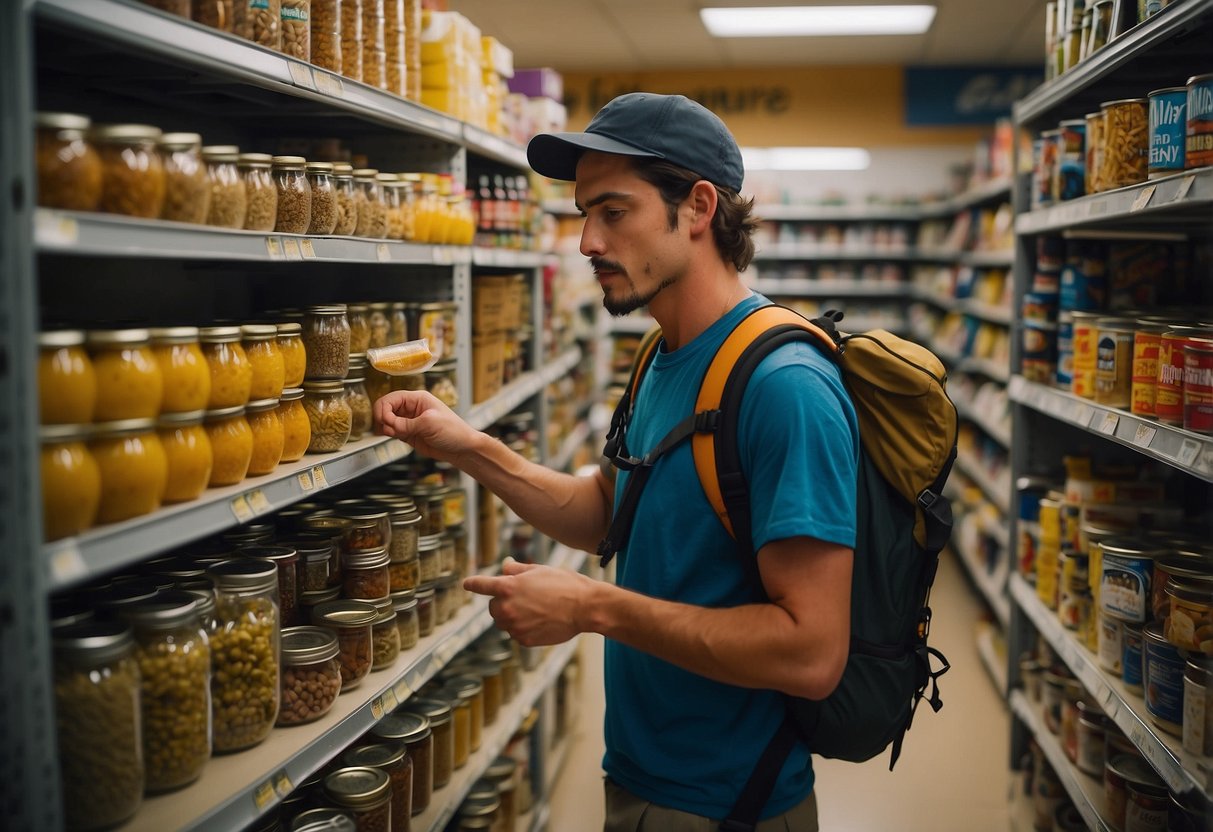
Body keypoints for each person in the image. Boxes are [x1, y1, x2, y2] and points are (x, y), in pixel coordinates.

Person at [374, 92, 859, 832]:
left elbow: (809, 653)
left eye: (614, 212)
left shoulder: (782, 387)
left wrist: (589, 607)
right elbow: (611, 511)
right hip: (640, 771)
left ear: (696, 208)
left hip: (731, 800)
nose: (586, 244)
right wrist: (467, 445)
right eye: (582, 216)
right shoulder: (659, 355)